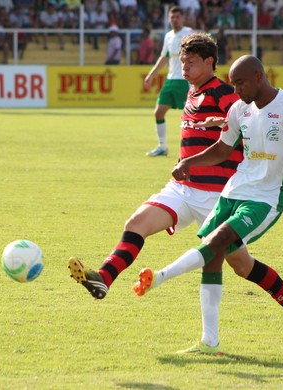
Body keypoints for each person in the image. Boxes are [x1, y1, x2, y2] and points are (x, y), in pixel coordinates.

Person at [134, 55, 283, 347]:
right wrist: (190, 162)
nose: (236, 90)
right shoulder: (239, 109)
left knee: (216, 242)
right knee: (232, 261)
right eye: (233, 83)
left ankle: (159, 278)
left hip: (269, 195)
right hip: (234, 190)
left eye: (240, 83)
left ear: (259, 76)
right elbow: (223, 149)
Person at [69, 32, 245, 355]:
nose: (185, 68)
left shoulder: (225, 94)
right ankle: (104, 278)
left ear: (209, 62)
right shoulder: (191, 93)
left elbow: (247, 129)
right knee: (137, 222)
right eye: (182, 62)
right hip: (181, 188)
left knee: (241, 265)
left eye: (191, 63)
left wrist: (222, 122)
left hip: (216, 196)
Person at [144, 6, 194, 157]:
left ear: (182, 18)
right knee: (158, 112)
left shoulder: (189, 33)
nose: (175, 19)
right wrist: (151, 74)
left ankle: (192, 149)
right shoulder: (168, 36)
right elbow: (164, 57)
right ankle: (162, 146)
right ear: (168, 19)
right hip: (171, 80)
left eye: (177, 17)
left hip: (185, 81)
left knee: (191, 117)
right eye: (172, 17)